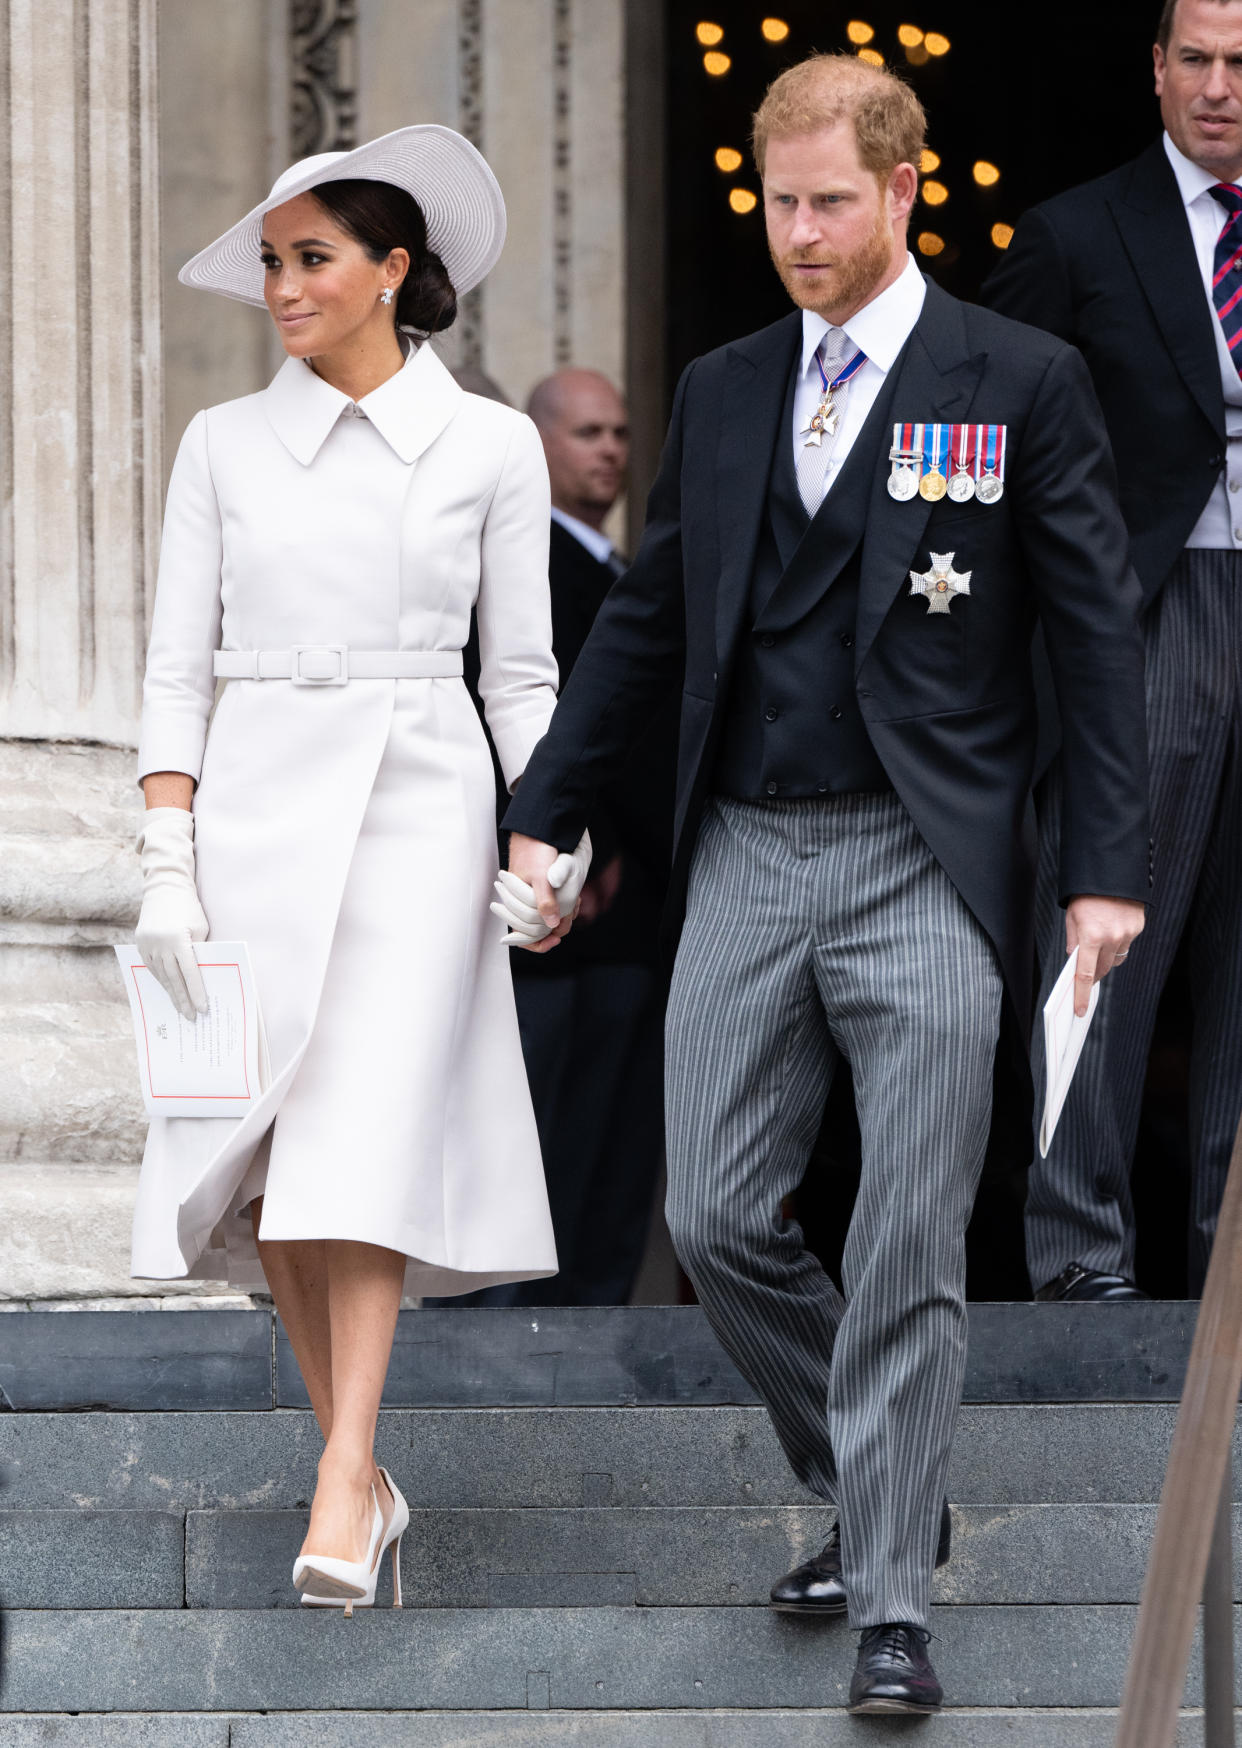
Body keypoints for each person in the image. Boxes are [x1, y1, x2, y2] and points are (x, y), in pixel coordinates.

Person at [494, 54, 1149, 1714]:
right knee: (714, 1211)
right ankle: (881, 1484)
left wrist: (1103, 872)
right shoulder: (719, 390)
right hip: (751, 847)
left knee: (913, 1219)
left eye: (827, 203)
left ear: (902, 190)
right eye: (777, 203)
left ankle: (890, 1602)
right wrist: (544, 803)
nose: (796, 232)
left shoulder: (1020, 376)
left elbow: (1090, 638)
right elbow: (645, 618)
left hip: (928, 858)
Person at [131, 126, 590, 1610]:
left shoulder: (490, 446)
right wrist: (163, 856)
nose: (280, 286)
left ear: (396, 271)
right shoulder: (220, 443)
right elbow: (170, 672)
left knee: (364, 1134)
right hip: (252, 797)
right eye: (270, 260)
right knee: (268, 1161)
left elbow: (521, 677)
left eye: (310, 258)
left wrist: (553, 835)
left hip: (416, 800)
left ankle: (346, 1469)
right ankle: (358, 1462)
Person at [982, 0, 1242, 1300]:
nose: (1214, 86)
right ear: (1151, 68)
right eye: (1191, 59)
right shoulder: (1071, 236)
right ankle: (1079, 1267)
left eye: (1238, 63)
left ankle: (1233, 1278)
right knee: (1105, 934)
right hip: (1148, 617)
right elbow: (988, 452)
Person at [497, 368, 672, 1306]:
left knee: (612, 1153)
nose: (609, 450)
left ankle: (591, 1339)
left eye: (619, 433)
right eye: (587, 433)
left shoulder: (619, 567)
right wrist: (569, 829)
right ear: (537, 443)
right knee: (535, 1143)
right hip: (549, 907)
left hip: (635, 908)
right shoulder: (520, 564)